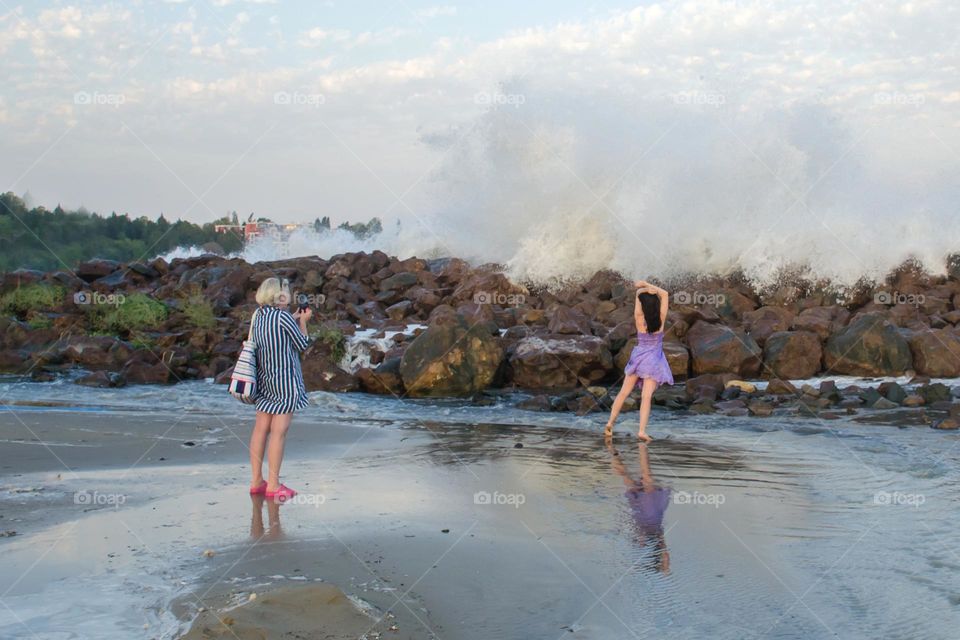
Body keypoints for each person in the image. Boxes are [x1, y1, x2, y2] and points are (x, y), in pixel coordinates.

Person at [247, 277, 312, 502]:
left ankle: (257, 481)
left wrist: (293, 318)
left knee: (260, 429)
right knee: (279, 432)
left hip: (263, 379)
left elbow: (270, 338)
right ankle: (274, 485)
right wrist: (303, 322)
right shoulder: (283, 317)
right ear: (278, 296)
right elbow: (302, 344)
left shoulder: (259, 316)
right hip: (284, 382)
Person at [604, 279, 673, 442]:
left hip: (638, 358)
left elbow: (637, 294)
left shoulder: (639, 318)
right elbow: (665, 294)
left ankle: (609, 423)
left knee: (623, 393)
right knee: (646, 397)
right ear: (656, 305)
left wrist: (641, 287)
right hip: (653, 361)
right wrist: (649, 285)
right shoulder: (661, 319)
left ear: (643, 305)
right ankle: (641, 431)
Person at [606, 436, 671, 574]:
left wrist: (665, 568)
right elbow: (661, 551)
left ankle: (642, 446)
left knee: (646, 476)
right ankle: (610, 448)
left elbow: (665, 554)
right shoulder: (648, 541)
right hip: (642, 516)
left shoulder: (657, 542)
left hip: (652, 513)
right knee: (627, 478)